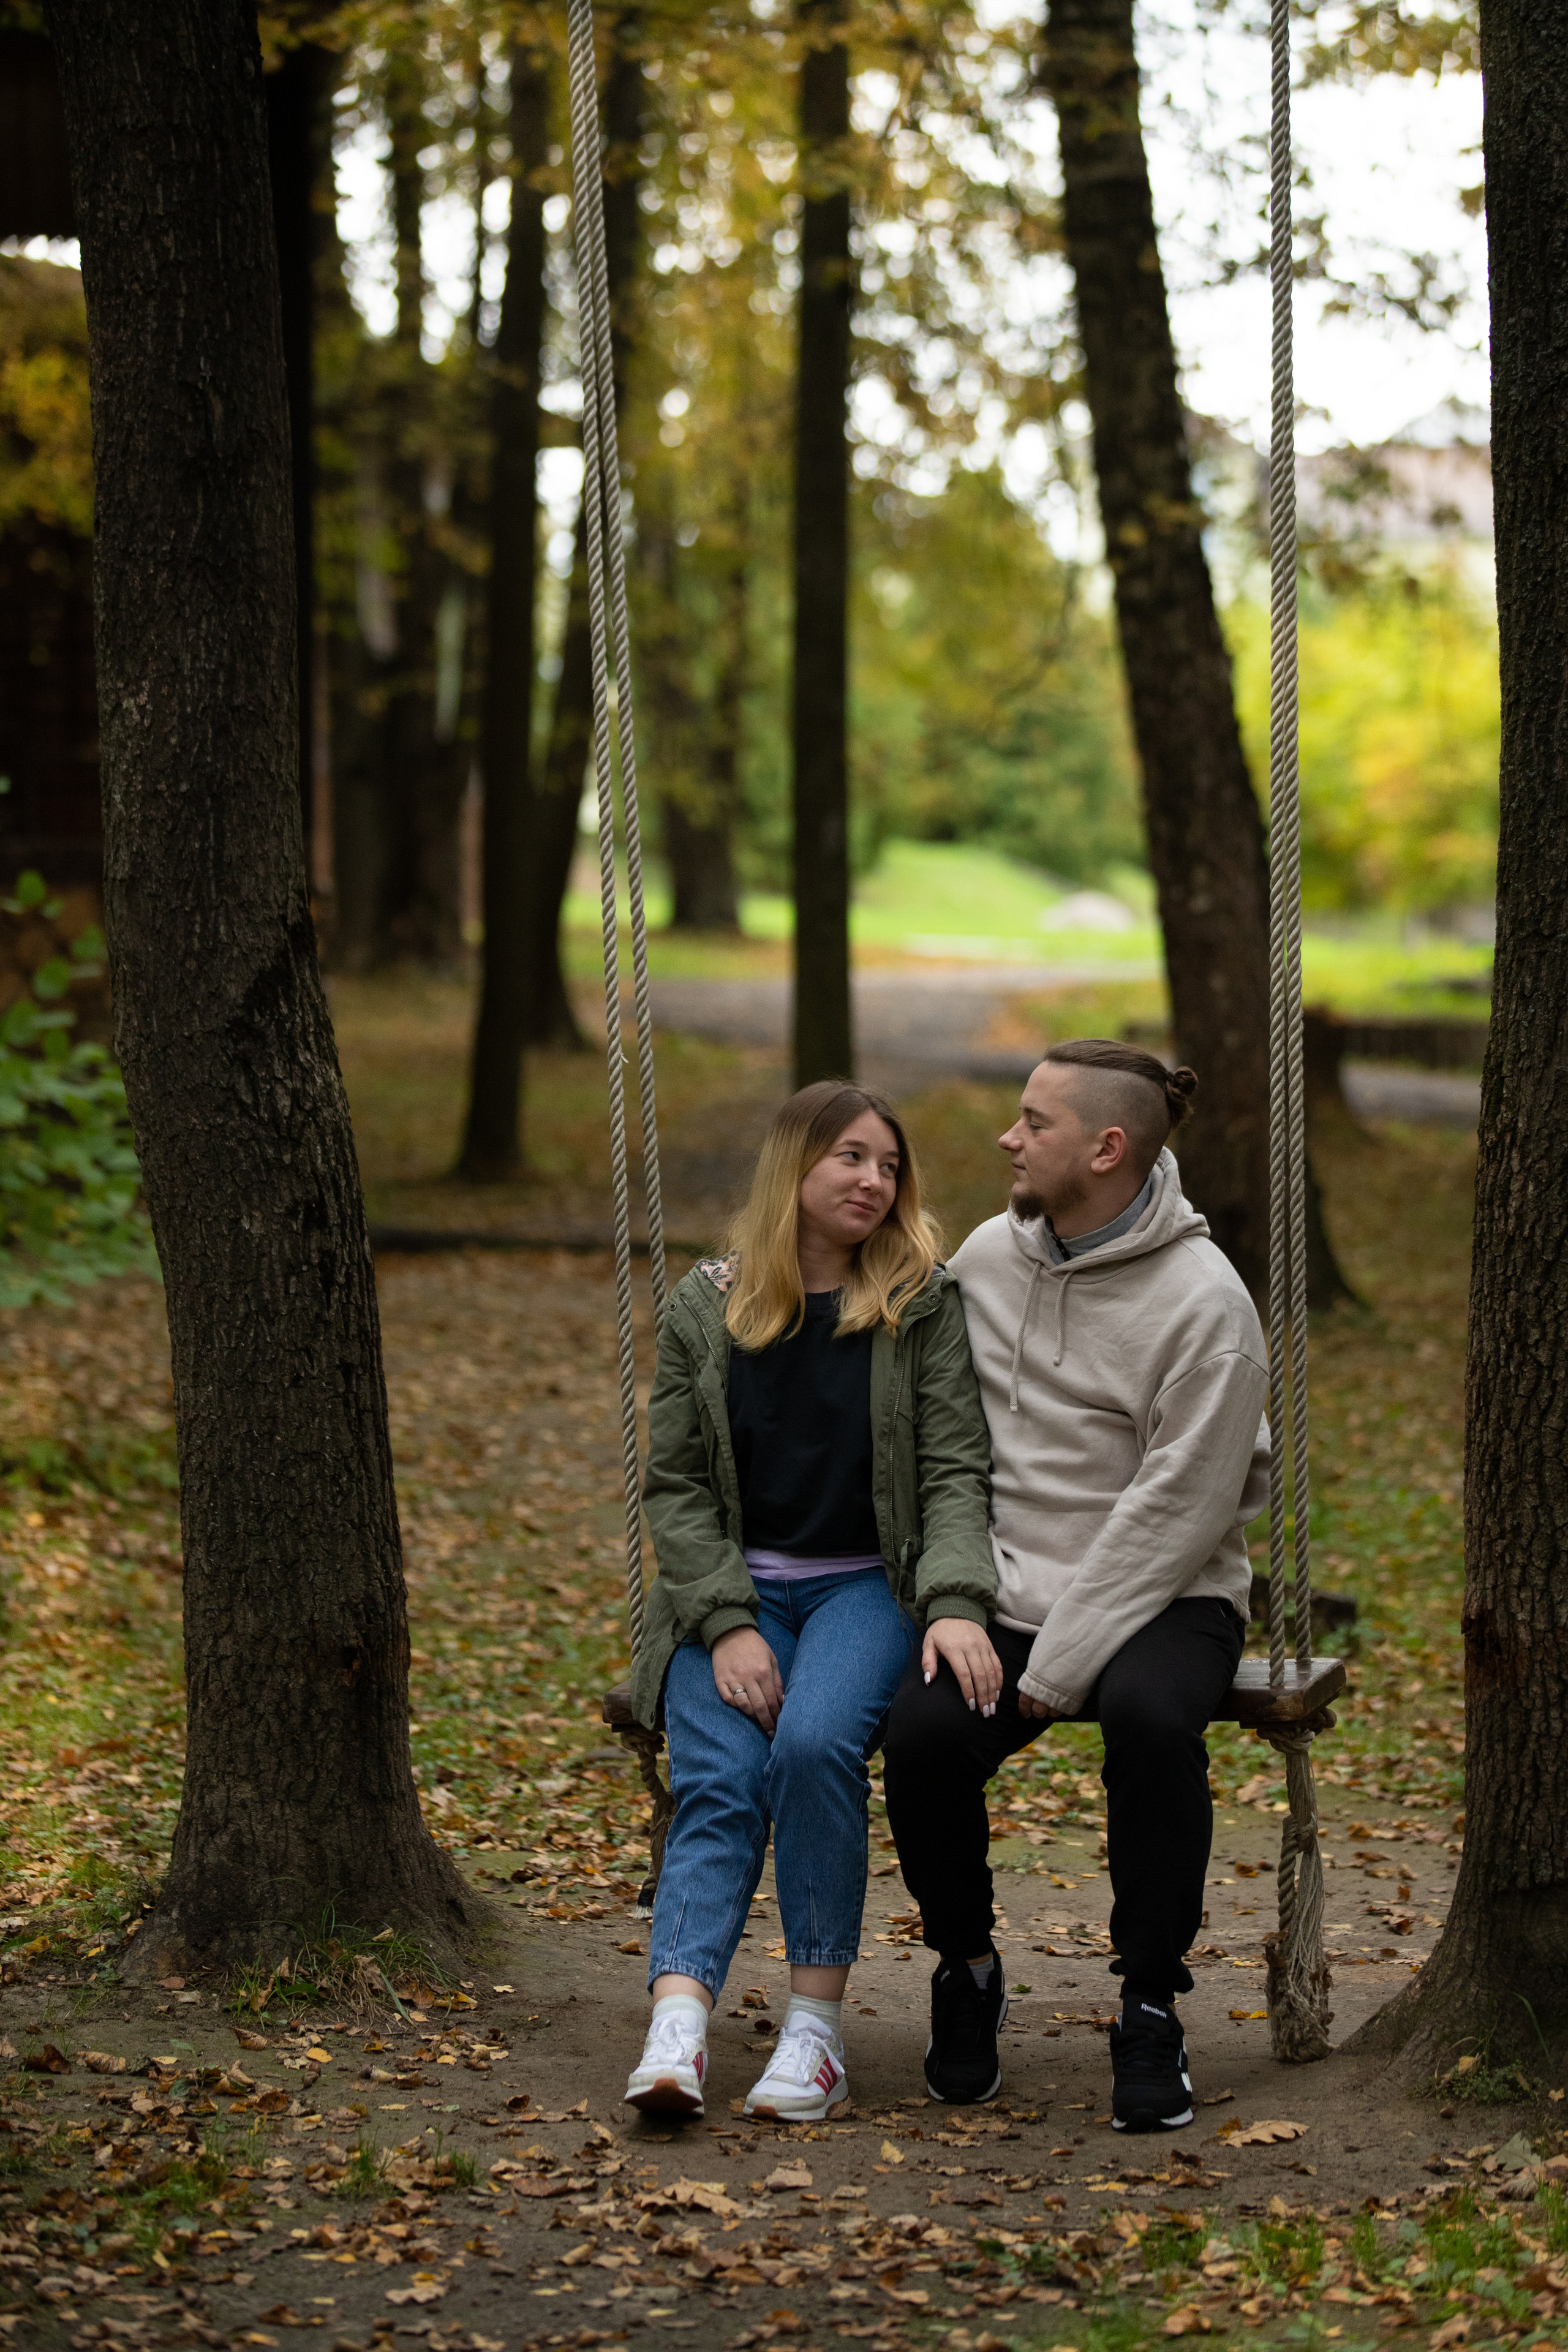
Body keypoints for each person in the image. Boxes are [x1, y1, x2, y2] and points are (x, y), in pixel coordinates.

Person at [883, 1039, 1268, 2130]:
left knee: (1150, 1723)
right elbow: (930, 1425)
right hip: (1008, 1586)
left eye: (1034, 1122)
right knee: (919, 1737)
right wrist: (962, 1600)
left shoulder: (1207, 1307)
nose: (1009, 1138)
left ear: (1107, 1149)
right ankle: (967, 1967)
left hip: (1167, 1594)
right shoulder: (989, 1262)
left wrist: (1059, 1663)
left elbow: (1177, 1514)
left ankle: (1150, 2002)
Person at [621, 1079, 998, 2122]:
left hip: (862, 1589)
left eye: (889, 1165)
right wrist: (728, 1622)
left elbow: (957, 1469)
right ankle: (679, 2028)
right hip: (734, 1591)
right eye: (851, 1159)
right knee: (722, 1776)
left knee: (815, 1745)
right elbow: (679, 1486)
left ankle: (814, 2033)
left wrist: (957, 1599)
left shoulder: (919, 1304)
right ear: (796, 1166)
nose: (875, 1181)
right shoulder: (710, 1306)